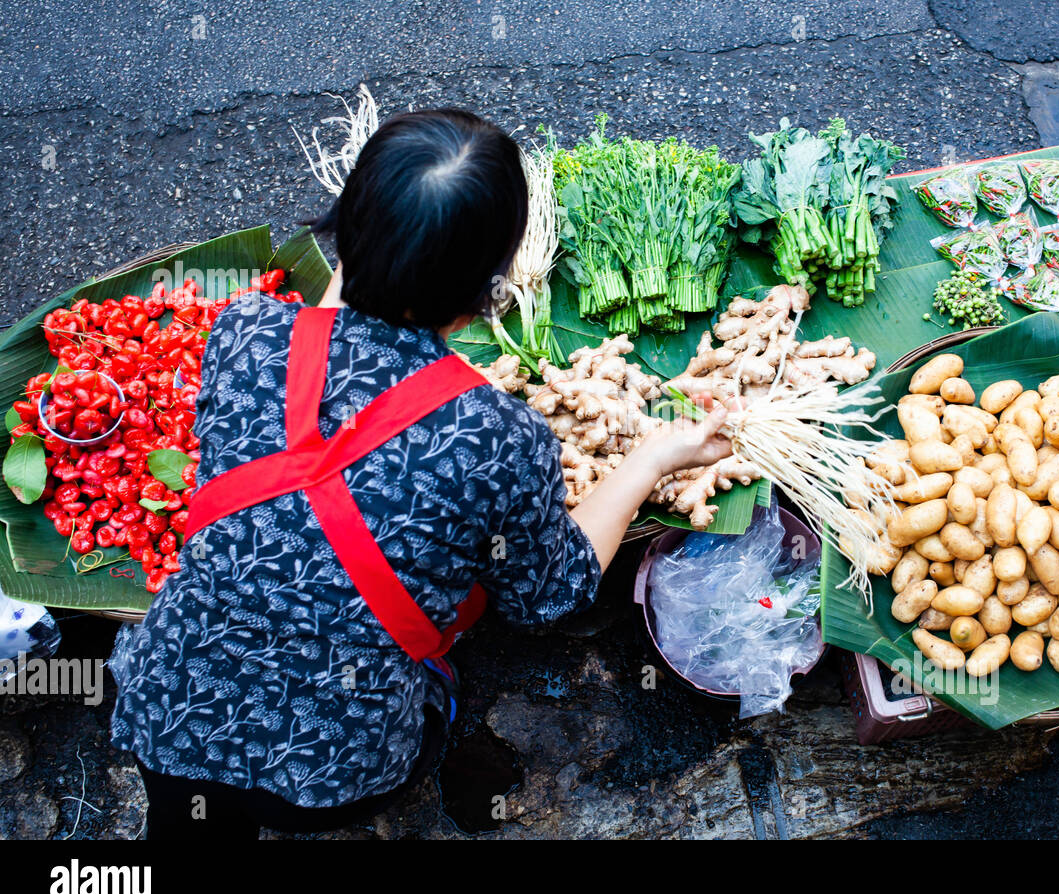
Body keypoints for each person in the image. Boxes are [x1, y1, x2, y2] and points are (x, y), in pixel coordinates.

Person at [107, 108, 734, 838]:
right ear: (486, 291)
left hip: (165, 715)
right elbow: (550, 594)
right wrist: (653, 456)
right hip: (334, 771)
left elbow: (322, 344)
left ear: (345, 226)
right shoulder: (495, 437)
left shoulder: (244, 332)